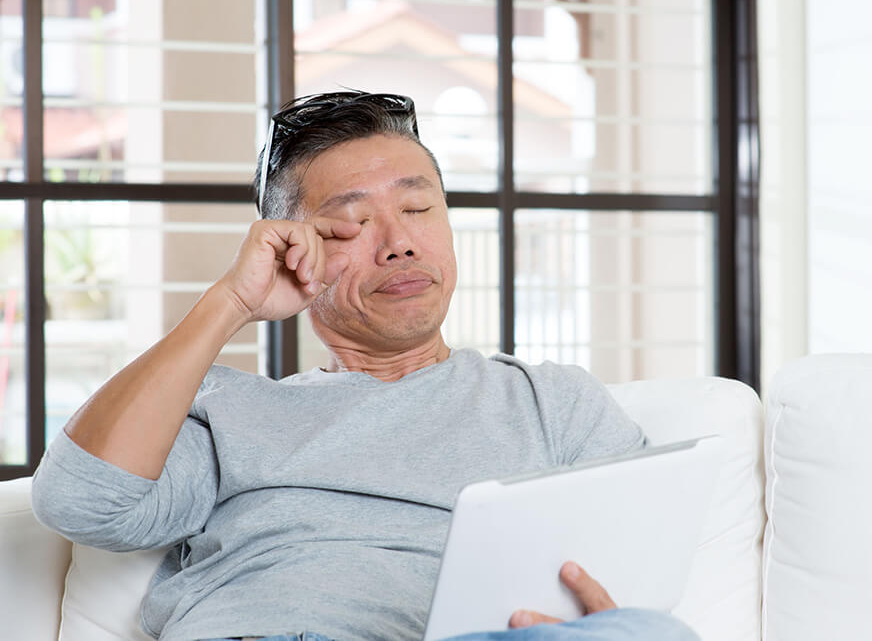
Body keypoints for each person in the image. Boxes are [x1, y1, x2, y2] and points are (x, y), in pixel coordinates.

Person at [31, 91, 699, 641]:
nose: (400, 244)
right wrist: (229, 301)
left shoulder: (552, 403)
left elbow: (633, 574)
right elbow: (80, 501)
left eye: (417, 208)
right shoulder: (227, 412)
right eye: (349, 225)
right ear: (291, 250)